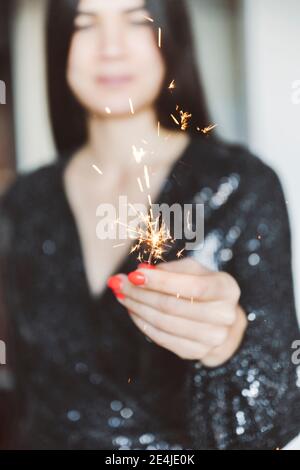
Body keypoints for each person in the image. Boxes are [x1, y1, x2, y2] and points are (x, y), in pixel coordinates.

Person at [0, 0, 299, 450]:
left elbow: (278, 420)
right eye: (86, 25)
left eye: (136, 20)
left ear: (170, 35)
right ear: (59, 43)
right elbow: (22, 391)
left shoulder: (241, 186)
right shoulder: (24, 202)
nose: (111, 48)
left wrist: (227, 345)